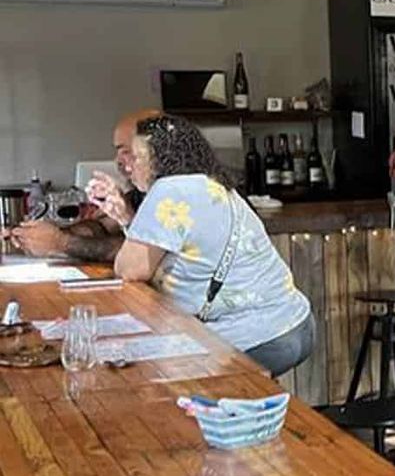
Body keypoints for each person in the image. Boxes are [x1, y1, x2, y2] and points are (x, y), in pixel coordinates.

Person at [108, 115, 314, 376]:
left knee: (151, 375)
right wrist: (127, 217)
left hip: (259, 335)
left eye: (134, 156)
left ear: (158, 157)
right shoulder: (209, 183)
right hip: (293, 323)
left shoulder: (169, 190)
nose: (126, 166)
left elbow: (129, 269)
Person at [6, 109, 159, 262]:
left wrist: (61, 243)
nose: (117, 161)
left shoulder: (172, 196)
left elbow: (133, 252)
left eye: (126, 151)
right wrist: (36, 235)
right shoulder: (138, 194)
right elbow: (102, 227)